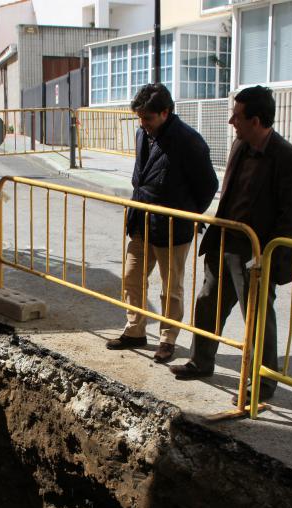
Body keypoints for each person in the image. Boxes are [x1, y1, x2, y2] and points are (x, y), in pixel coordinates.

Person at [169, 85, 292, 403]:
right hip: (225, 244)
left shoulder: (287, 159)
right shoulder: (240, 146)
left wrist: (264, 257)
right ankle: (201, 361)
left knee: (257, 319)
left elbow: (291, 217)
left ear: (256, 120)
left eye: (237, 115)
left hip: (256, 254)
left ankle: (261, 385)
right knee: (208, 303)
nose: (232, 120)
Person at [105, 83, 218, 364]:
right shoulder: (143, 134)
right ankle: (135, 330)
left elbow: (208, 185)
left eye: (148, 118)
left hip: (173, 228)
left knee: (172, 288)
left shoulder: (189, 141)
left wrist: (185, 215)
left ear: (165, 113)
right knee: (132, 278)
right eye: (140, 118)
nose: (143, 124)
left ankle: (167, 339)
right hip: (142, 221)